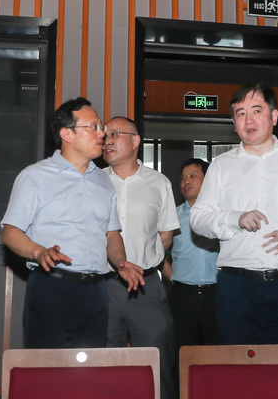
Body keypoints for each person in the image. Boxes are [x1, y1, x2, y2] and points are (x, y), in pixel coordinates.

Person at [190, 83, 278, 345]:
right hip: (237, 288)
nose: (249, 120)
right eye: (241, 113)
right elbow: (198, 218)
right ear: (234, 124)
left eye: (257, 111)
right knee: (239, 365)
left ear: (274, 116)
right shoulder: (221, 166)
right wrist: (234, 218)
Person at [1, 97, 144, 349]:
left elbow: (111, 235)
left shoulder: (103, 181)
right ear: (67, 134)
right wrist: (38, 251)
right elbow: (10, 231)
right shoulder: (35, 176)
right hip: (52, 287)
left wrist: (120, 261)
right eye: (93, 127)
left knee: (90, 369)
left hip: (97, 291)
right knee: (47, 366)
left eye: (101, 127)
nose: (102, 133)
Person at [102, 116, 179, 399]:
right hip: (103, 287)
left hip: (146, 287)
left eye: (115, 134)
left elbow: (166, 234)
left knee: (157, 364)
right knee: (103, 364)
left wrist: (145, 258)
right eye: (105, 135)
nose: (107, 140)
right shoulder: (94, 180)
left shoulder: (159, 183)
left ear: (135, 141)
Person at [161, 158, 219, 398]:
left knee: (218, 356)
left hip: (218, 296)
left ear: (207, 180)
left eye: (193, 175)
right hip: (183, 298)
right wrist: (174, 278)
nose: (186, 181)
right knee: (183, 356)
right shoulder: (172, 218)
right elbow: (157, 255)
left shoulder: (221, 215)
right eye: (183, 177)